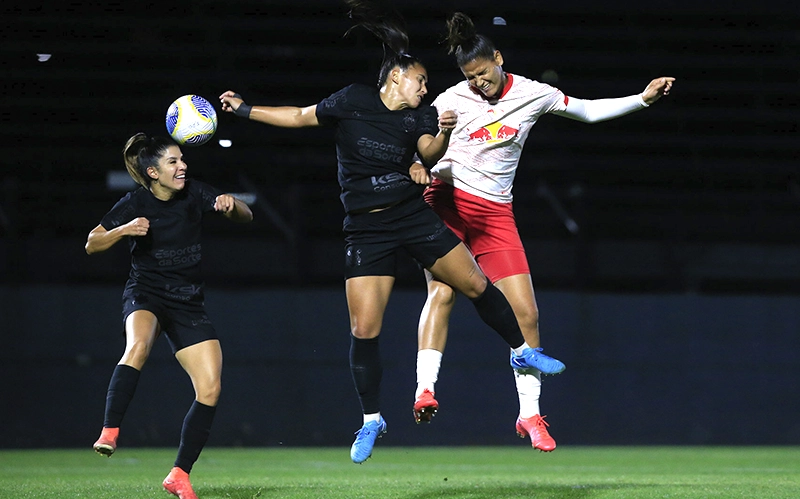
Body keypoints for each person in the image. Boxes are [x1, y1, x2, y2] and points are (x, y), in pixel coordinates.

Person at [217, 0, 564, 464]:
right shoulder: (351, 100)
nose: (427, 88)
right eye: (421, 80)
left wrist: (437, 142)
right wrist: (245, 110)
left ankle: (521, 351)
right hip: (366, 229)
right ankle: (371, 420)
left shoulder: (421, 116)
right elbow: (299, 116)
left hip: (412, 217)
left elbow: (428, 149)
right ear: (397, 76)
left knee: (476, 284)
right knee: (364, 329)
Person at [411, 12, 675, 452]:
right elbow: (417, 142)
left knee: (527, 315)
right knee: (442, 293)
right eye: (470, 77)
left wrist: (643, 99)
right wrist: (417, 164)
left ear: (498, 58)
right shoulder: (450, 98)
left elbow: (587, 112)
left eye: (482, 73)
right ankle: (424, 389)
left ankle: (529, 416)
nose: (478, 83)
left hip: (495, 216)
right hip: (447, 203)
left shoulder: (534, 93)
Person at [87, 133, 253, 499]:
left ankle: (179, 474)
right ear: (153, 172)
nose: (183, 167)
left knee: (210, 388)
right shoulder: (134, 202)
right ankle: (110, 430)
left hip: (187, 302)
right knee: (138, 347)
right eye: (174, 162)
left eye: (182, 160)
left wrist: (232, 204)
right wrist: (124, 230)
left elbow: (247, 214)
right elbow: (92, 242)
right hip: (146, 294)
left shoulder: (195, 192)